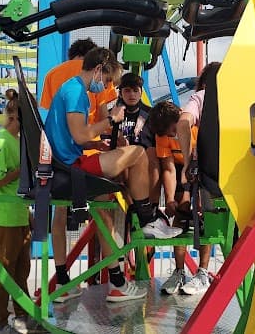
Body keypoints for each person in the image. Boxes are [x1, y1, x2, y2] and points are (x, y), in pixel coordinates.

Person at [45, 47, 181, 303]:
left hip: (65, 163)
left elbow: (74, 138)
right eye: (107, 80)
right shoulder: (76, 92)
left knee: (103, 214)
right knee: (138, 153)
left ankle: (105, 281)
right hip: (72, 168)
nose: (106, 86)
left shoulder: (70, 89)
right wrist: (110, 120)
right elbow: (80, 134)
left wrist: (96, 145)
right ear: (98, 70)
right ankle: (148, 217)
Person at [159, 62, 220, 295]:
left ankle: (183, 271)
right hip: (228, 174)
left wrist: (186, 159)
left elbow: (184, 122)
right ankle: (200, 272)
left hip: (203, 170)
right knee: (208, 219)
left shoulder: (200, 97)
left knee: (184, 219)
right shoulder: (237, 97)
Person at [0, 90, 31, 334]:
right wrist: (21, 172)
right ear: (15, 118)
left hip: (19, 215)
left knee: (21, 271)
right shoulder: (1, 142)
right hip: (6, 217)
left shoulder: (16, 140)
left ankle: (22, 314)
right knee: (5, 272)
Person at [39, 37, 117, 123]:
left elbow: (49, 111)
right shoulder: (99, 74)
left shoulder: (51, 74)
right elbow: (102, 115)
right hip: (89, 133)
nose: (105, 85)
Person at [113, 73, 150, 146]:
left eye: (135, 91)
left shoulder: (151, 115)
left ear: (141, 93)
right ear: (120, 94)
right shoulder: (112, 115)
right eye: (127, 91)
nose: (132, 94)